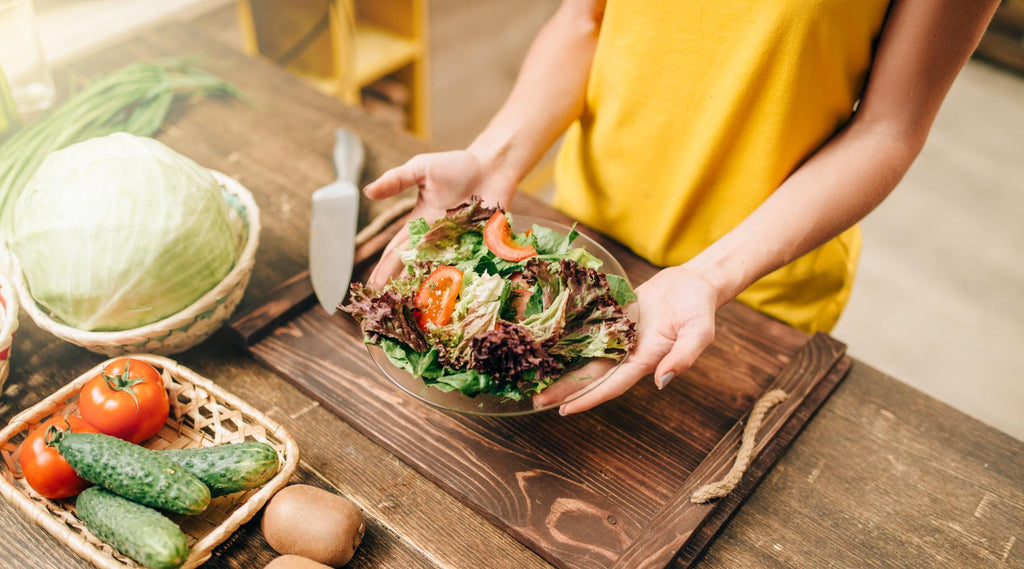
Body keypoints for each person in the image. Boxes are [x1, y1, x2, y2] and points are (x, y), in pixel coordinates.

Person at [363, 0, 998, 415]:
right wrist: (493, 164)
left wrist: (709, 275)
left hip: (755, 288)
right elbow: (586, 21)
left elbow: (889, 128)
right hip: (584, 245)